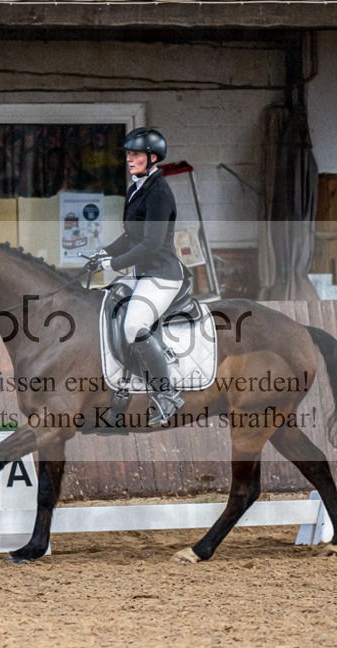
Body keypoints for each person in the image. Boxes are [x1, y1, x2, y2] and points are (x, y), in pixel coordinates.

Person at [92, 127, 186, 426]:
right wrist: (102, 254)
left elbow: (151, 244)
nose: (129, 159)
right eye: (128, 154)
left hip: (162, 275)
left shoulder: (159, 193)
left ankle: (166, 394)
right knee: (105, 301)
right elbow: (131, 235)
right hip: (142, 273)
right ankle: (122, 381)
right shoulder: (136, 188)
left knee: (134, 324)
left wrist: (115, 263)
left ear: (152, 157)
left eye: (135, 155)